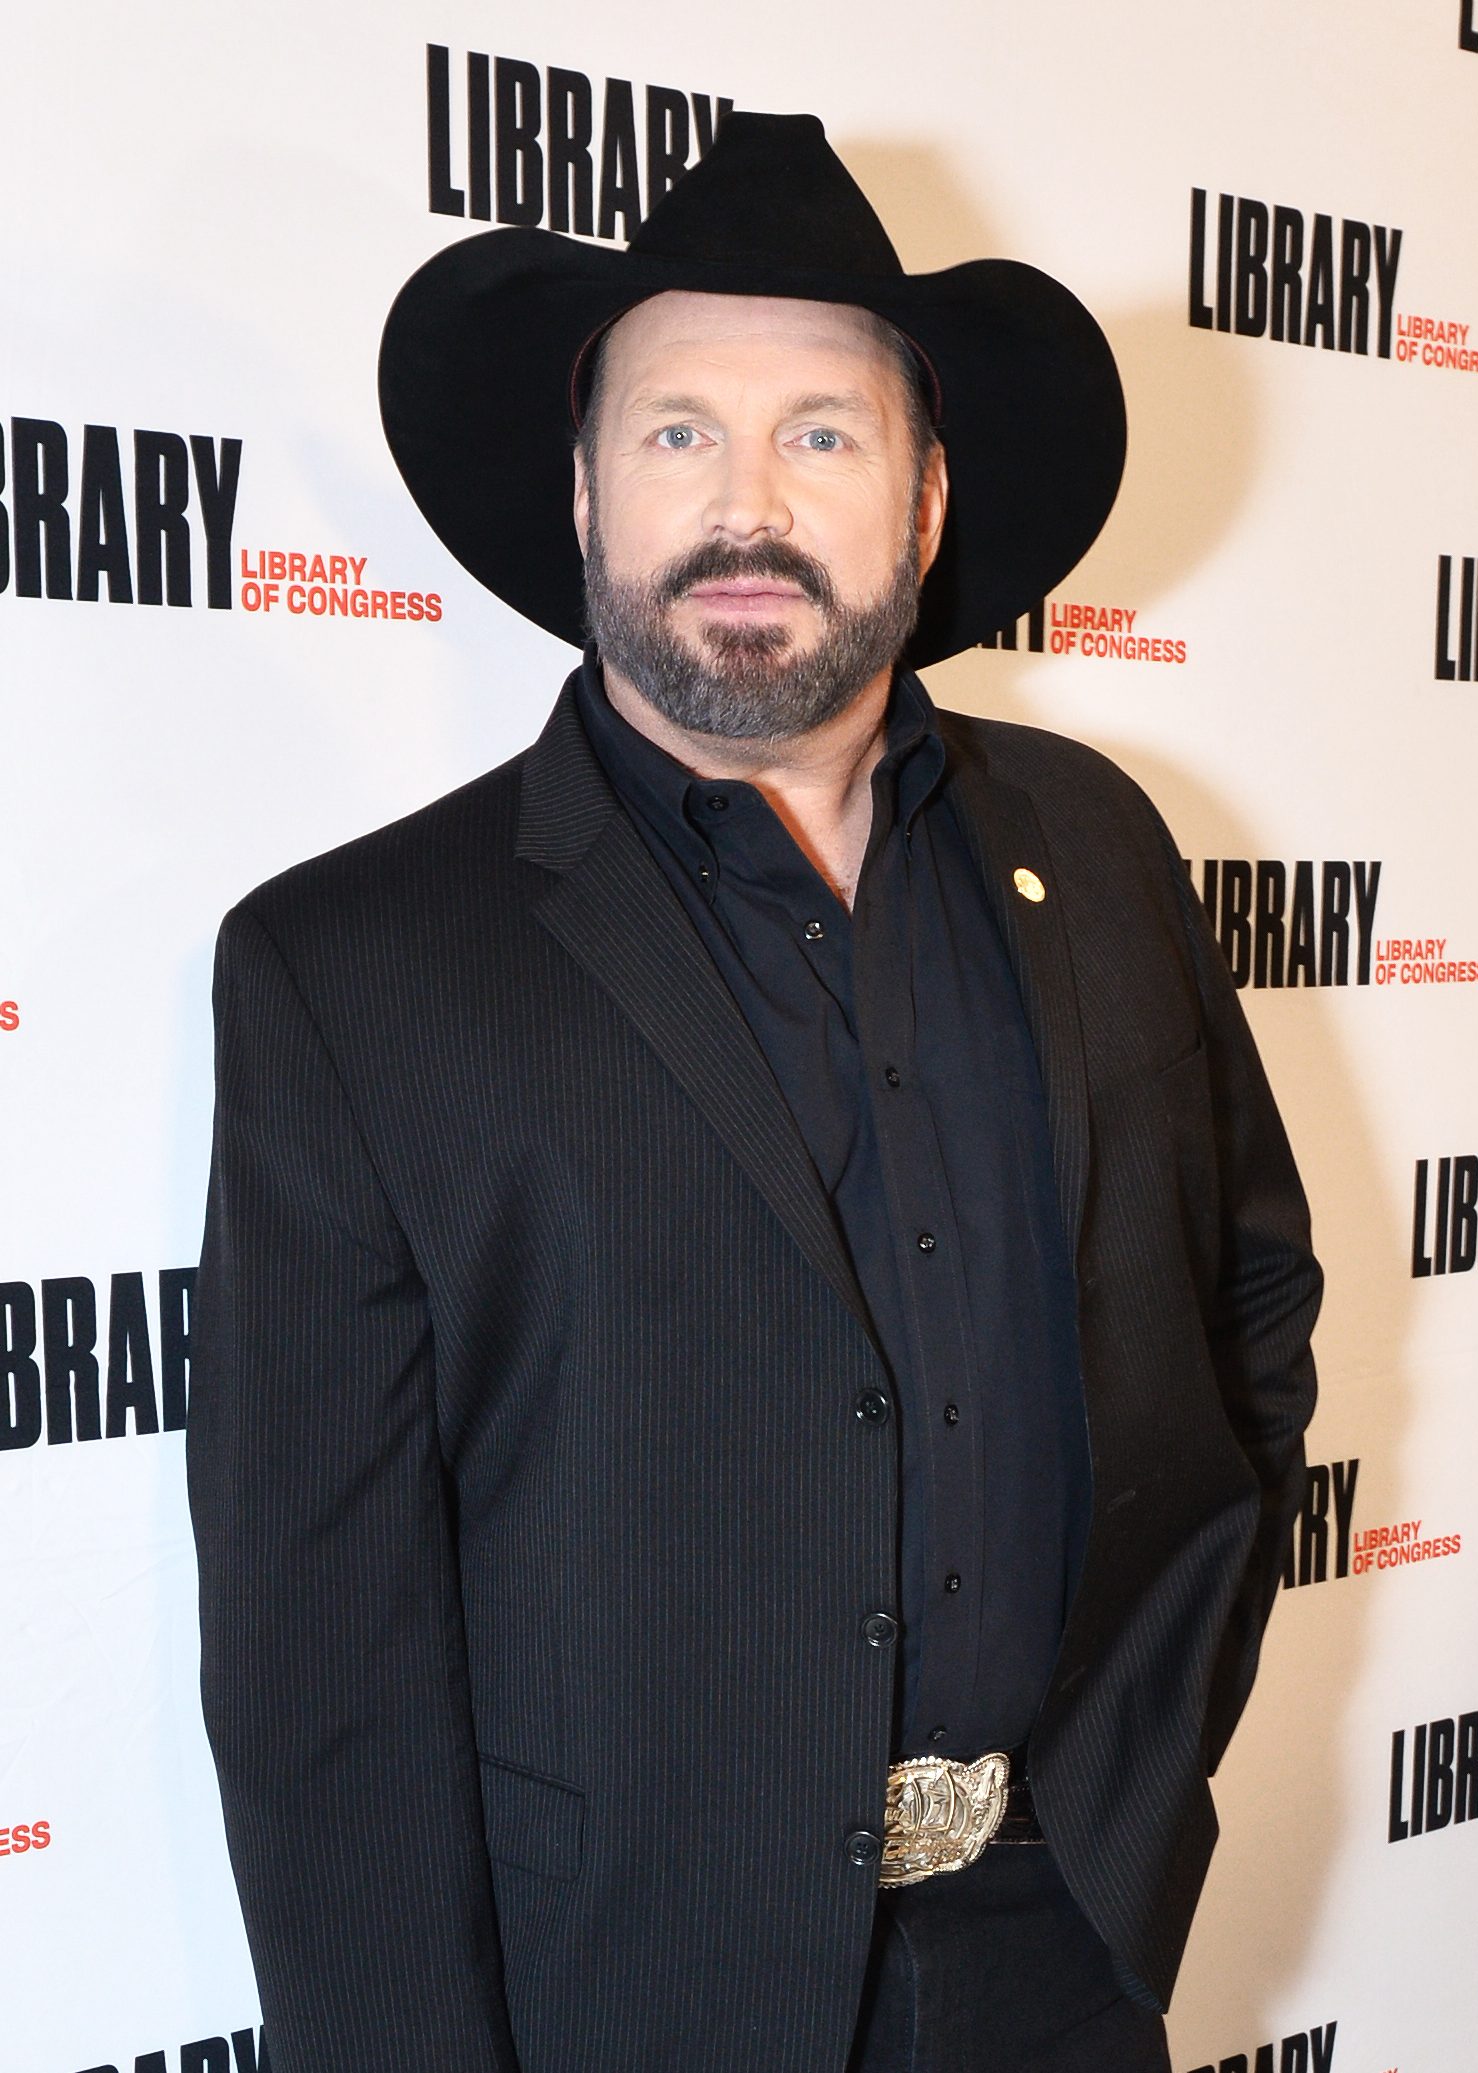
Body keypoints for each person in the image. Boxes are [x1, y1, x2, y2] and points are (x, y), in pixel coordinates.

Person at [186, 110, 1322, 2073]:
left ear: (928, 495)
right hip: (622, 2002)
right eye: (676, 429)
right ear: (582, 490)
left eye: (821, 431)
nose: (745, 502)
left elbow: (1246, 1321)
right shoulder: (356, 965)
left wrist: (1136, 1775)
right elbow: (323, 1663)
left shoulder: (1109, 846)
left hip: (1063, 1970)